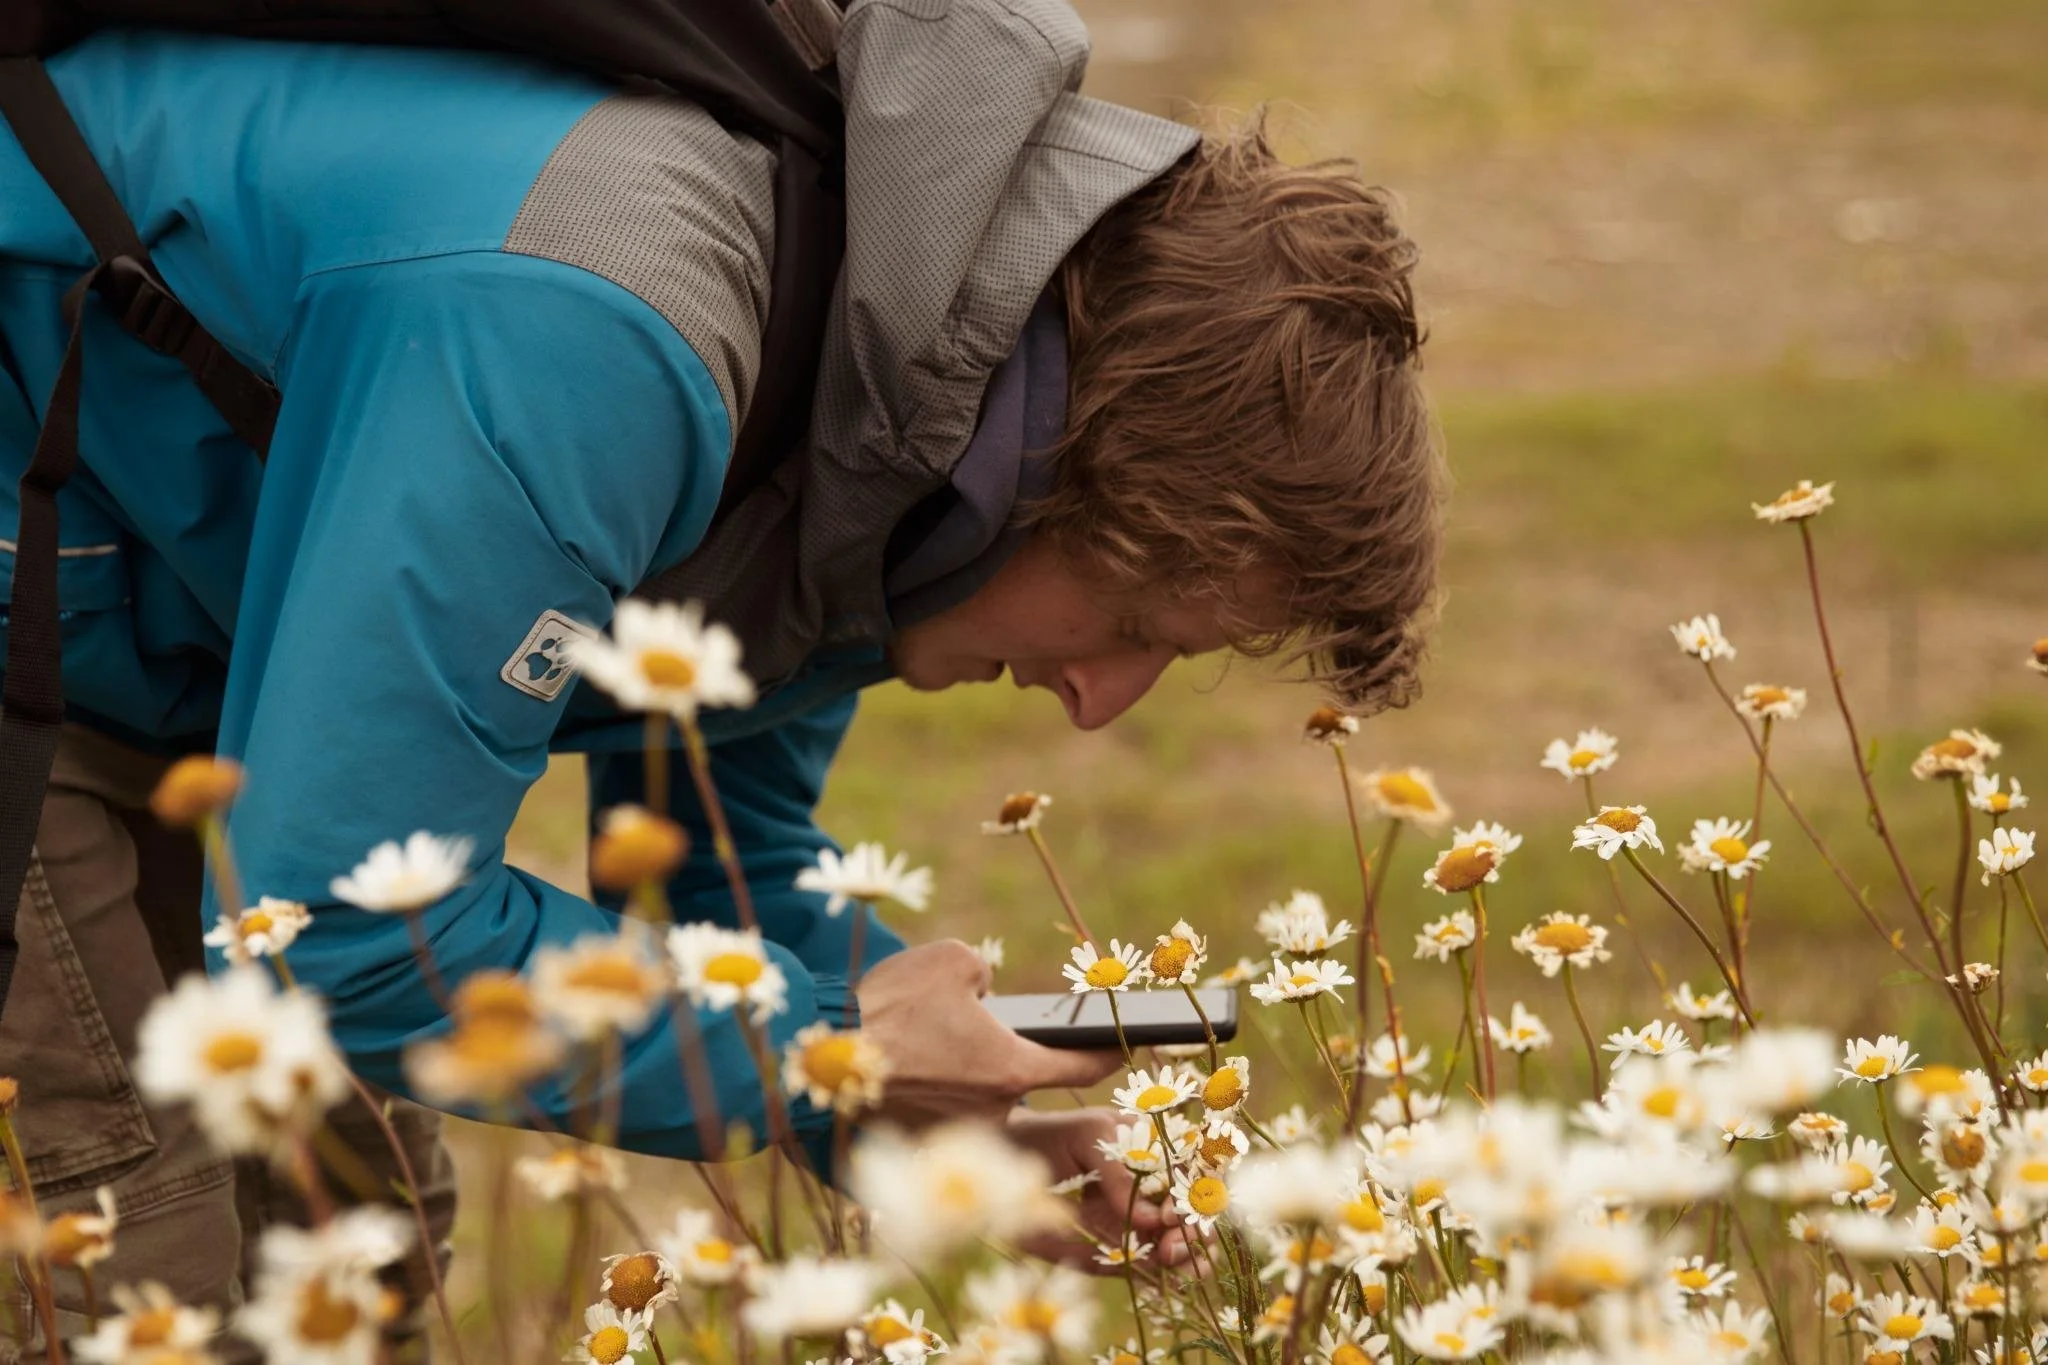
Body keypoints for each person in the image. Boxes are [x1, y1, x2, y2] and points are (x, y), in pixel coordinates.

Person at [0, 0, 1442, 1355]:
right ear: (1068, 474)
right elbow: (337, 929)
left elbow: (721, 857)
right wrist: (834, 1052)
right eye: (1139, 621)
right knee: (129, 1256)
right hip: (40, 553)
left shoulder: (891, 413)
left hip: (150, 606)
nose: (1099, 701)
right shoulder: (600, 339)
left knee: (357, 1239)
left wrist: (915, 1098)